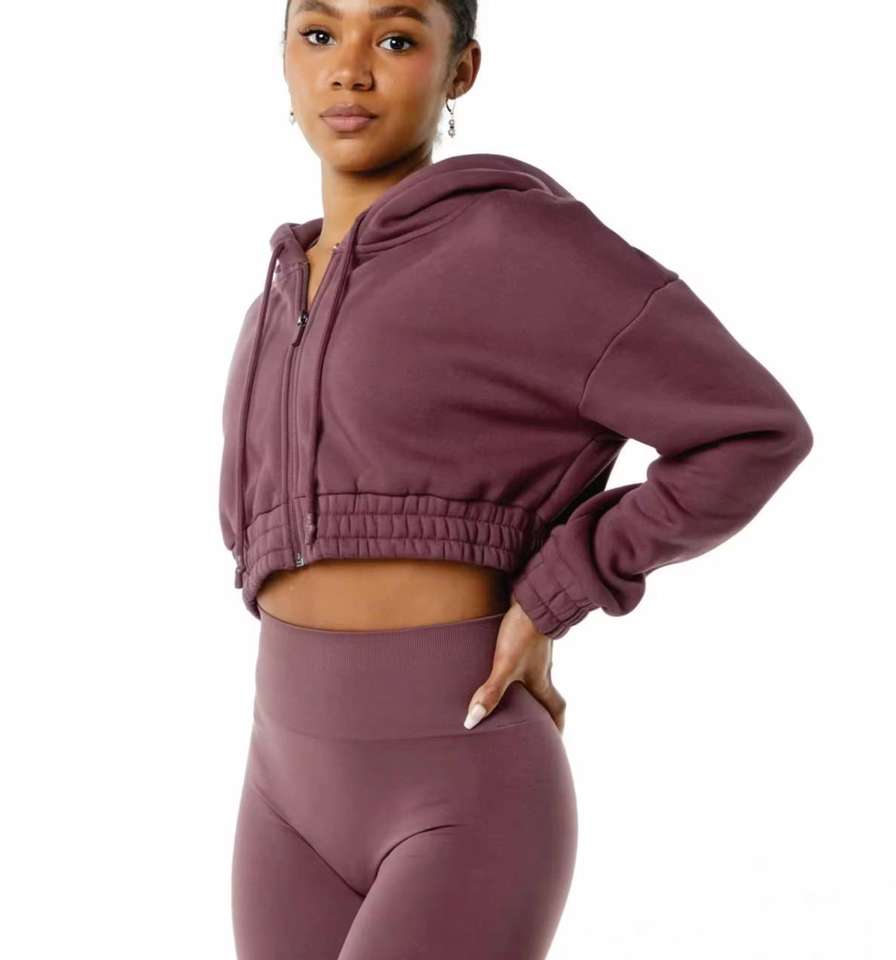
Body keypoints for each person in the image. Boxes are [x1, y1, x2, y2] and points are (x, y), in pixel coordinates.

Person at [219, 2, 814, 957]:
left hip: (459, 783)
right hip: (280, 787)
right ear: (283, 56)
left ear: (461, 70)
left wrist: (556, 591)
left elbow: (750, 431)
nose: (350, 69)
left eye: (398, 39)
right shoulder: (279, 295)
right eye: (319, 34)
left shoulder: (519, 245)